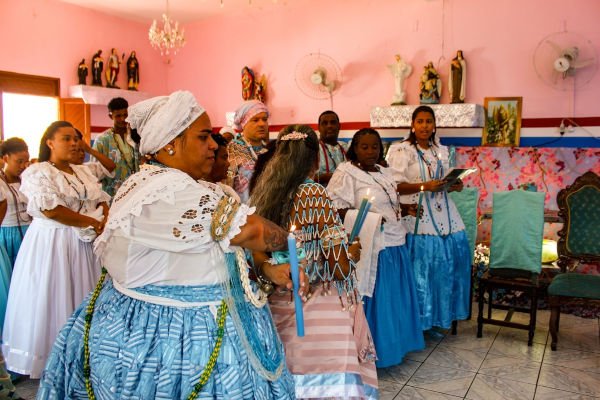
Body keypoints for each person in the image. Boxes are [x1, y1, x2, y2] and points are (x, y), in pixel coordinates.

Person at [37, 91, 300, 399]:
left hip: (180, 315)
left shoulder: (181, 184)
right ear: (170, 144)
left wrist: (266, 268)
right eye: (203, 137)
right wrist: (301, 241)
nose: (214, 145)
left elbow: (228, 243)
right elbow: (251, 231)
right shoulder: (167, 190)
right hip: (172, 329)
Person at [250, 124, 378, 400]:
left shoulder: (263, 193)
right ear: (315, 158)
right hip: (319, 308)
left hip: (277, 304)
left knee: (289, 379)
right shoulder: (314, 194)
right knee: (326, 385)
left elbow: (256, 251)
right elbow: (339, 265)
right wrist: (352, 252)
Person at [2, 121, 110, 379]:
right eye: (66, 139)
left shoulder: (82, 171)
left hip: (85, 243)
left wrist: (103, 218)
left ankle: (83, 359)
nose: (74, 143)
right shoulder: (37, 172)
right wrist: (93, 222)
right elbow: (51, 210)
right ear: (49, 142)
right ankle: (54, 361)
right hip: (54, 243)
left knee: (83, 295)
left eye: (76, 139)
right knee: (55, 296)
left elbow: (101, 198)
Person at [327, 128, 424, 367]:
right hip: (372, 246)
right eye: (365, 147)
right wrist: (371, 219)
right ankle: (375, 351)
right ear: (354, 149)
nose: (371, 152)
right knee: (378, 299)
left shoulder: (383, 171)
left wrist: (405, 208)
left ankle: (396, 346)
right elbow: (334, 210)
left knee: (395, 299)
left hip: (395, 242)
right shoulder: (346, 172)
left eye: (375, 147)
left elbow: (388, 201)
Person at [386, 106, 471, 331]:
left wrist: (452, 185)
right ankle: (418, 322)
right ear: (412, 124)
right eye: (420, 121)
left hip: (444, 213)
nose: (425, 126)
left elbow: (439, 181)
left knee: (444, 268)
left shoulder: (439, 150)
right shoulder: (401, 150)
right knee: (421, 272)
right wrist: (425, 186)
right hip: (416, 216)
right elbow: (393, 186)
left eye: (429, 121)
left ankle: (438, 318)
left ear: (434, 125)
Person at [92, 97, 140, 197]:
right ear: (111, 116)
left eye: (125, 115)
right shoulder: (102, 140)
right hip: (113, 194)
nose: (123, 119)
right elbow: (95, 171)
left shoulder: (135, 136)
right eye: (118, 116)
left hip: (135, 191)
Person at [227, 100, 269, 202]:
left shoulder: (270, 150)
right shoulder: (232, 149)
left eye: (264, 119)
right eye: (255, 120)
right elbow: (226, 187)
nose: (262, 124)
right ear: (243, 123)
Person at [0, 138, 31, 266]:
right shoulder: (1, 182)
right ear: (6, 158)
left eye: (25, 162)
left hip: (29, 231)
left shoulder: (28, 180)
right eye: (19, 162)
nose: (23, 166)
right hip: (7, 233)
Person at [314, 110, 348, 186]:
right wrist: (324, 177)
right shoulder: (312, 149)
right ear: (319, 128)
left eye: (333, 122)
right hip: (320, 196)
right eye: (325, 123)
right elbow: (302, 179)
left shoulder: (346, 149)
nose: (329, 126)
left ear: (339, 126)